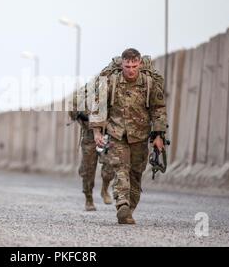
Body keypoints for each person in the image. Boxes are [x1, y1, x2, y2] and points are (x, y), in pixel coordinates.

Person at [89, 48, 167, 224]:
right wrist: (97, 131)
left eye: (134, 65)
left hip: (140, 135)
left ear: (139, 63)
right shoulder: (112, 81)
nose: (130, 70)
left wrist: (159, 135)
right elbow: (99, 106)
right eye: (127, 66)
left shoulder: (148, 83)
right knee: (121, 169)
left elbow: (158, 109)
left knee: (136, 174)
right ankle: (122, 204)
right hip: (117, 134)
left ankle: (129, 208)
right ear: (122, 64)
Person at [68, 84, 114, 211]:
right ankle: (88, 198)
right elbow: (72, 110)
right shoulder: (83, 93)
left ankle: (105, 189)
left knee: (110, 163)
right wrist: (79, 115)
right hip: (89, 136)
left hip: (107, 134)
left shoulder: (113, 92)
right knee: (88, 168)